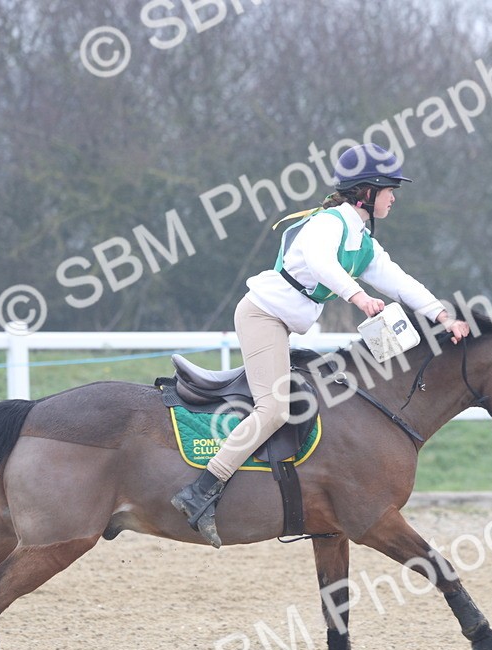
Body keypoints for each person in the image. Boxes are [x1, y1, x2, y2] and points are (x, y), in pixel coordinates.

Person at [172, 143, 470, 547]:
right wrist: (357, 297)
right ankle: (201, 490)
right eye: (388, 190)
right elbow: (319, 262)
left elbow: (400, 281)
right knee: (274, 408)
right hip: (262, 316)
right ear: (366, 192)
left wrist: (442, 316)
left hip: (284, 324)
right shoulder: (328, 223)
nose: (393, 198)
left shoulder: (363, 241)